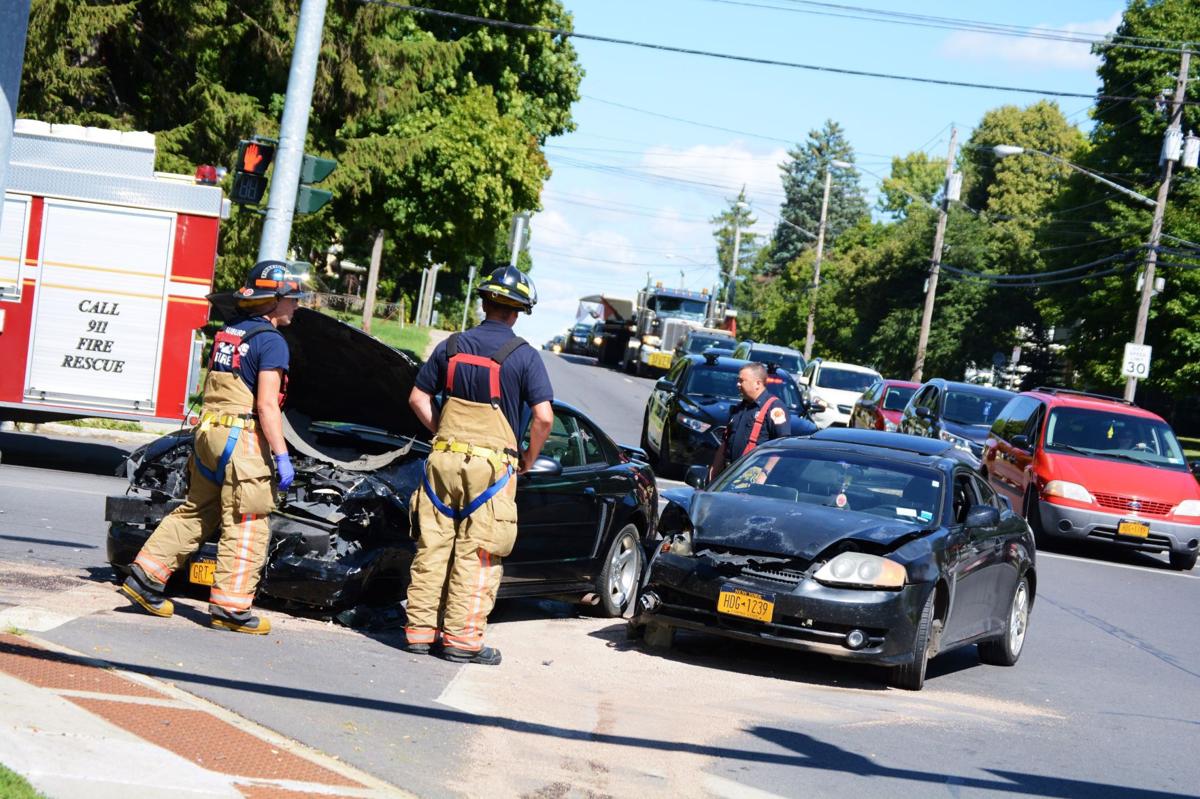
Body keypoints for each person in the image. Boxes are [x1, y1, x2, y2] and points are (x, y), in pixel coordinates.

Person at [119, 261, 305, 635]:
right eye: (293, 299)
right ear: (274, 302)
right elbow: (267, 405)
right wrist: (282, 455)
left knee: (198, 510)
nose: (297, 306)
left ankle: (145, 578)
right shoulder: (271, 342)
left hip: (210, 435)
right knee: (248, 522)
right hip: (243, 441)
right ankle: (232, 610)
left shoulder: (230, 332)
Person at [404, 265, 554, 666]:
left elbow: (418, 398)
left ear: (485, 302)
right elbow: (543, 417)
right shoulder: (524, 357)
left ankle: (419, 632)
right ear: (518, 312)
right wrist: (527, 459)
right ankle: (462, 640)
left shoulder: (451, 346)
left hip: (442, 460)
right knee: (479, 552)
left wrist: (444, 433)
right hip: (491, 469)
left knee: (432, 546)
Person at [709, 362, 793, 481]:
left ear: (757, 383)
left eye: (742, 381)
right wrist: (713, 473)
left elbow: (781, 446)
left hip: (753, 478)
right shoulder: (739, 408)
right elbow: (725, 444)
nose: (738, 384)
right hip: (728, 475)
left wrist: (764, 474)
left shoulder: (774, 407)